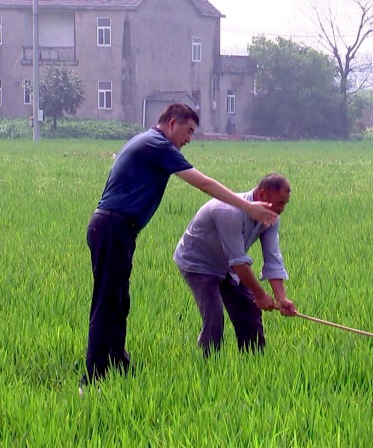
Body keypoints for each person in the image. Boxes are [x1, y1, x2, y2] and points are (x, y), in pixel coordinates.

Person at [82, 103, 278, 390]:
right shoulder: (157, 144)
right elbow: (204, 184)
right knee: (107, 303)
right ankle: (92, 379)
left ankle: (118, 366)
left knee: (119, 301)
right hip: (112, 227)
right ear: (172, 123)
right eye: (188, 131)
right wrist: (248, 207)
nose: (189, 139)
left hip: (118, 230)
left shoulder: (150, 142)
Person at [173, 173, 297, 357]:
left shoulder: (270, 219)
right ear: (262, 195)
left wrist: (281, 298)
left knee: (249, 309)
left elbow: (273, 259)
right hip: (198, 263)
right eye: (280, 203)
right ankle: (207, 363)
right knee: (214, 315)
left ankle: (254, 361)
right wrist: (260, 295)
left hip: (226, 265)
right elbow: (238, 261)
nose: (282, 209)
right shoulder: (230, 211)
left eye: (285, 204)